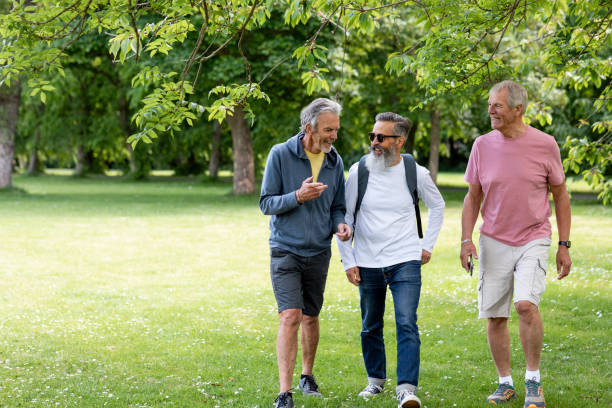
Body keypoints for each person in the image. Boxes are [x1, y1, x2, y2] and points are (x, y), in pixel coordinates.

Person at [459, 80, 572, 408]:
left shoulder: (545, 144)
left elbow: (561, 195)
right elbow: (472, 196)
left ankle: (533, 381)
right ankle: (504, 382)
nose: (490, 110)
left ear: (518, 110)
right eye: (490, 104)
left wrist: (564, 244)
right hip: (493, 238)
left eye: (497, 105)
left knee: (525, 304)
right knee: (495, 315)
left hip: (533, 237)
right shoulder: (482, 145)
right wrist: (466, 239)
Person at [337, 112, 445, 408]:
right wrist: (349, 261)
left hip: (405, 259)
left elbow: (437, 205)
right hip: (368, 260)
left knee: (406, 322)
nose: (374, 142)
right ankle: (375, 381)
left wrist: (428, 245)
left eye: (381, 137)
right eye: (372, 136)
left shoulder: (415, 172)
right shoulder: (360, 171)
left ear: (400, 140)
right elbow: (344, 218)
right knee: (370, 325)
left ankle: (407, 389)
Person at [259, 98, 352, 408]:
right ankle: (284, 393)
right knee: (290, 316)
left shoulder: (334, 161)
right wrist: (297, 196)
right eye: (329, 130)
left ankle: (307, 375)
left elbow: (338, 205)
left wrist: (340, 224)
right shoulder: (280, 155)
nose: (334, 136)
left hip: (318, 251)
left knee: (311, 317)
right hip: (285, 249)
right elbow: (266, 203)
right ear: (309, 127)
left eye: (336, 130)